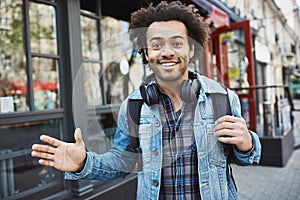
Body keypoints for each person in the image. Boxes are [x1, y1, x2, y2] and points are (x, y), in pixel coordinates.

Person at [31, 1, 261, 199]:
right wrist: (84, 163)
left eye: (177, 43)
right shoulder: (134, 105)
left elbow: (246, 157)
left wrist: (247, 142)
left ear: (191, 49)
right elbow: (123, 161)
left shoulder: (222, 98)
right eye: (157, 45)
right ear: (146, 53)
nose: (167, 52)